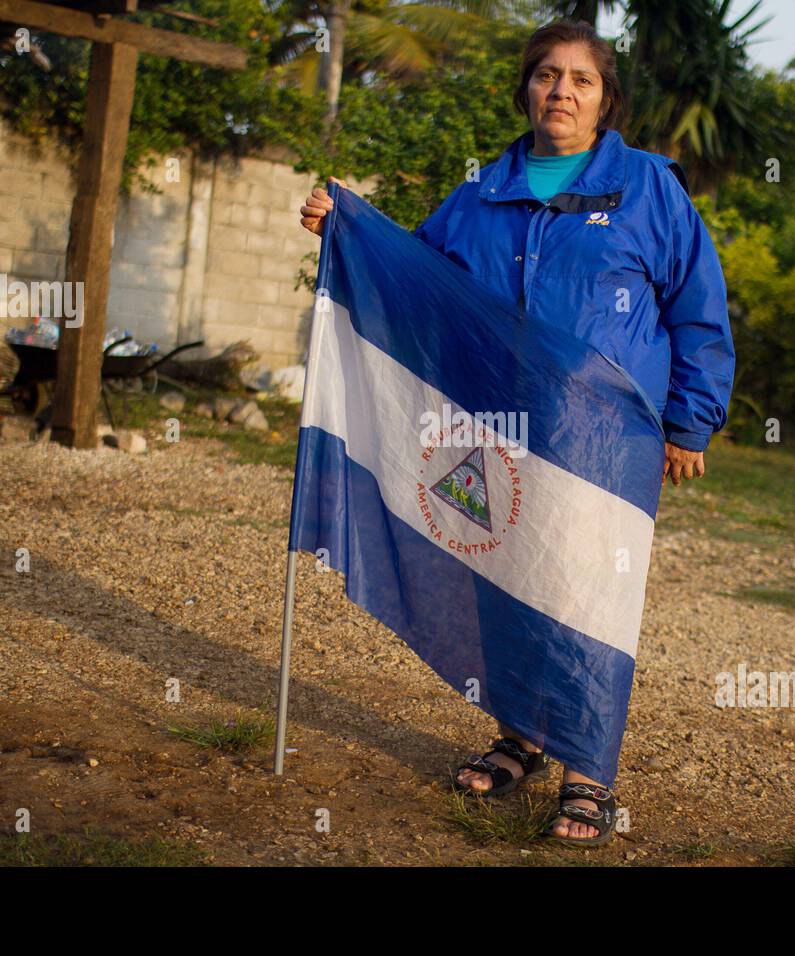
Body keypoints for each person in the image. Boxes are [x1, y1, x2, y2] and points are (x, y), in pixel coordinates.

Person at [299, 18, 734, 845]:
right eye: (547, 76)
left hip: (607, 444)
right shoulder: (481, 192)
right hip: (499, 428)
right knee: (507, 579)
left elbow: (698, 309)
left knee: (588, 597)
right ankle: (522, 738)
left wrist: (691, 421)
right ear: (526, 88)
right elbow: (416, 278)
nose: (561, 91)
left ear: (606, 100)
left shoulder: (647, 189)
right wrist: (347, 230)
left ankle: (590, 775)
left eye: (581, 80)